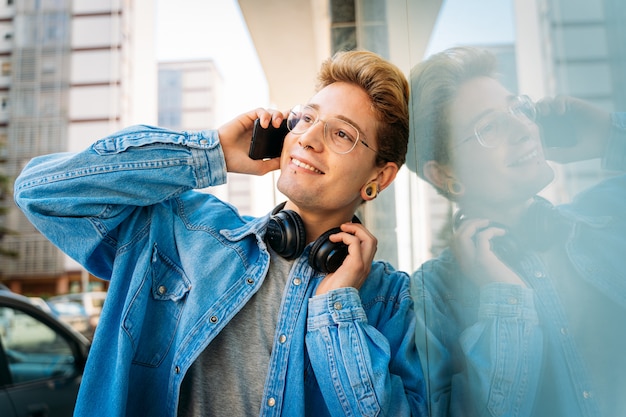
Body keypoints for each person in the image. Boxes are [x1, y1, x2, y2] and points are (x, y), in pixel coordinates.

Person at [14, 50, 428, 416]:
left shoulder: (389, 300)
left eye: (341, 133)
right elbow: (41, 193)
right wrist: (210, 153)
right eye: (307, 118)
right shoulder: (183, 228)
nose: (308, 139)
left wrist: (336, 310)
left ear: (380, 176)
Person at [407, 46, 626, 417]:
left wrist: (611, 135)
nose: (525, 128)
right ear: (445, 175)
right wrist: (505, 302)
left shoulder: (609, 215)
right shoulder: (432, 297)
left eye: (518, 109)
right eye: (489, 127)